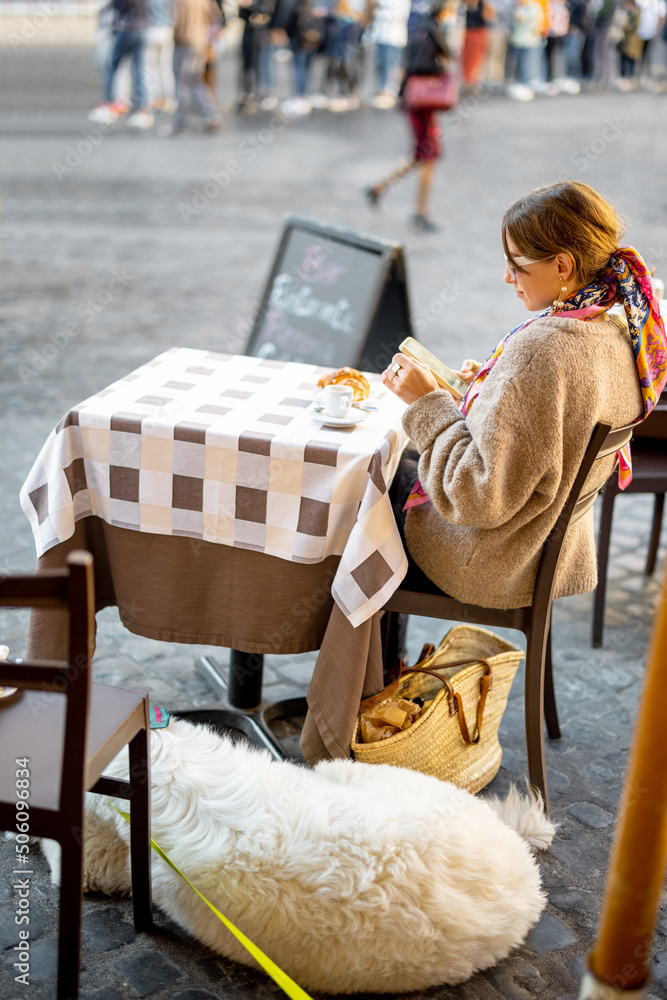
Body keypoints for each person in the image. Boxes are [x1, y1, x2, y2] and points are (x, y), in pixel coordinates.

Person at [380, 181, 666, 617]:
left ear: (563, 265)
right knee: (393, 472)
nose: (507, 277)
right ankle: (383, 676)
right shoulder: (617, 330)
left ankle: (365, 679)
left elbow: (476, 496)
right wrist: (493, 390)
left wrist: (427, 404)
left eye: (517, 264)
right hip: (544, 548)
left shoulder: (542, 349)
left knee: (361, 500)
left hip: (493, 562)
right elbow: (550, 426)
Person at [365, 0, 451, 232]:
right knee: (427, 154)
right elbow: (422, 64)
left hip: (416, 102)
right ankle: (420, 211)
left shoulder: (419, 27)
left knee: (422, 154)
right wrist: (439, 66)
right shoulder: (432, 30)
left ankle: (380, 188)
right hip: (423, 103)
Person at [172, 0, 223, 132]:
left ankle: (182, 121)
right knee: (196, 80)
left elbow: (175, 21)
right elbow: (217, 17)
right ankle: (211, 115)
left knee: (182, 82)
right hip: (200, 42)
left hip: (183, 43)